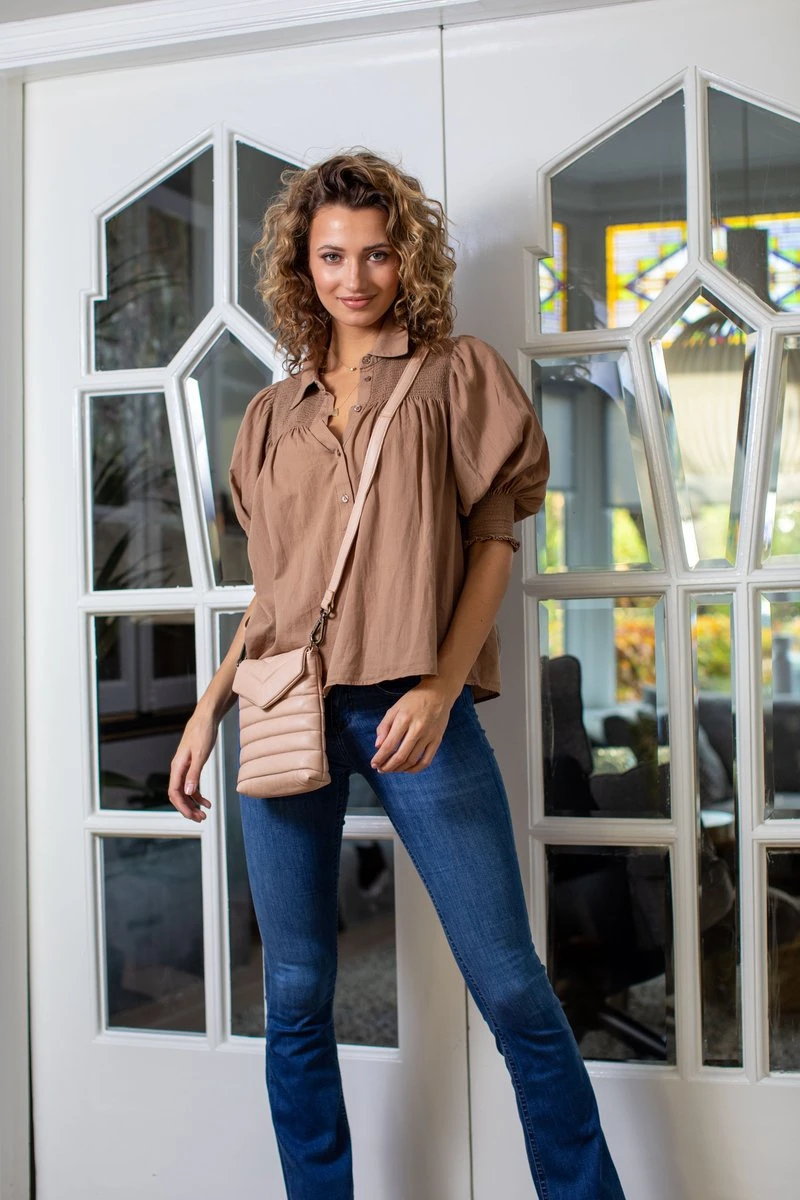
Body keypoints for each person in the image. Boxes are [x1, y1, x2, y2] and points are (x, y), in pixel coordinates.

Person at [168, 150, 626, 1200]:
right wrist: (205, 712)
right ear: (303, 264)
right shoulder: (269, 416)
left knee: (511, 987)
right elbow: (275, 595)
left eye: (376, 254)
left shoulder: (455, 377)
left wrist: (438, 687)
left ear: (404, 258)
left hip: (412, 704)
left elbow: (494, 541)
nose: (355, 277)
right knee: (295, 994)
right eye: (332, 255)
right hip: (283, 706)